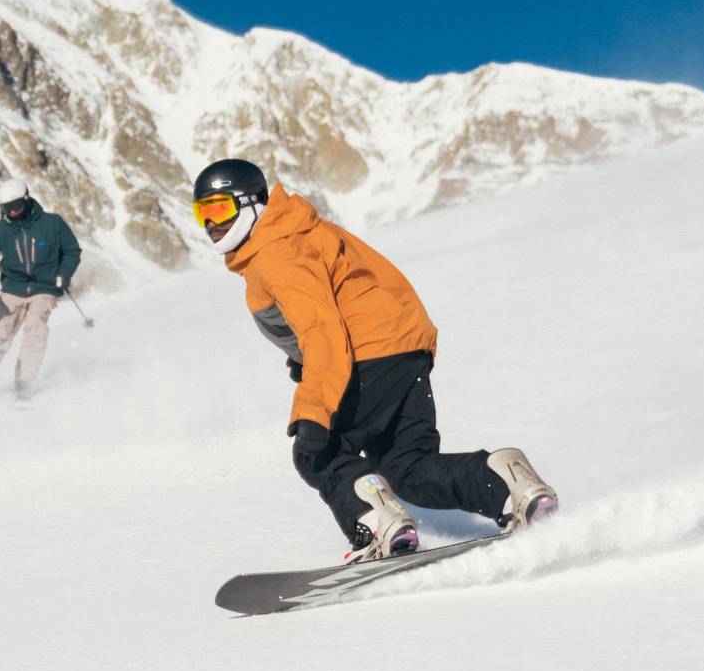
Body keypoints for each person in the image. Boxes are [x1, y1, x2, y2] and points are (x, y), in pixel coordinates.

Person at [191, 158, 558, 563]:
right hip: (404, 353)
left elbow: (323, 333)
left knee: (317, 452)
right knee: (409, 468)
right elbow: (345, 302)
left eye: (219, 208)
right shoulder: (298, 232)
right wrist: (307, 360)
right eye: (201, 212)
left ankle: (377, 523)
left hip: (367, 355)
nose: (211, 223)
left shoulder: (276, 252)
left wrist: (314, 410)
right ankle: (506, 481)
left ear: (252, 204)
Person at [0, 178, 81, 404]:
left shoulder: (52, 223)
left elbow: (71, 250)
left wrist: (64, 274)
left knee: (36, 330)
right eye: (7, 208)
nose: (13, 212)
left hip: (45, 287)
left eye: (16, 206)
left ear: (27, 199)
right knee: (0, 334)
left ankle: (24, 384)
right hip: (13, 287)